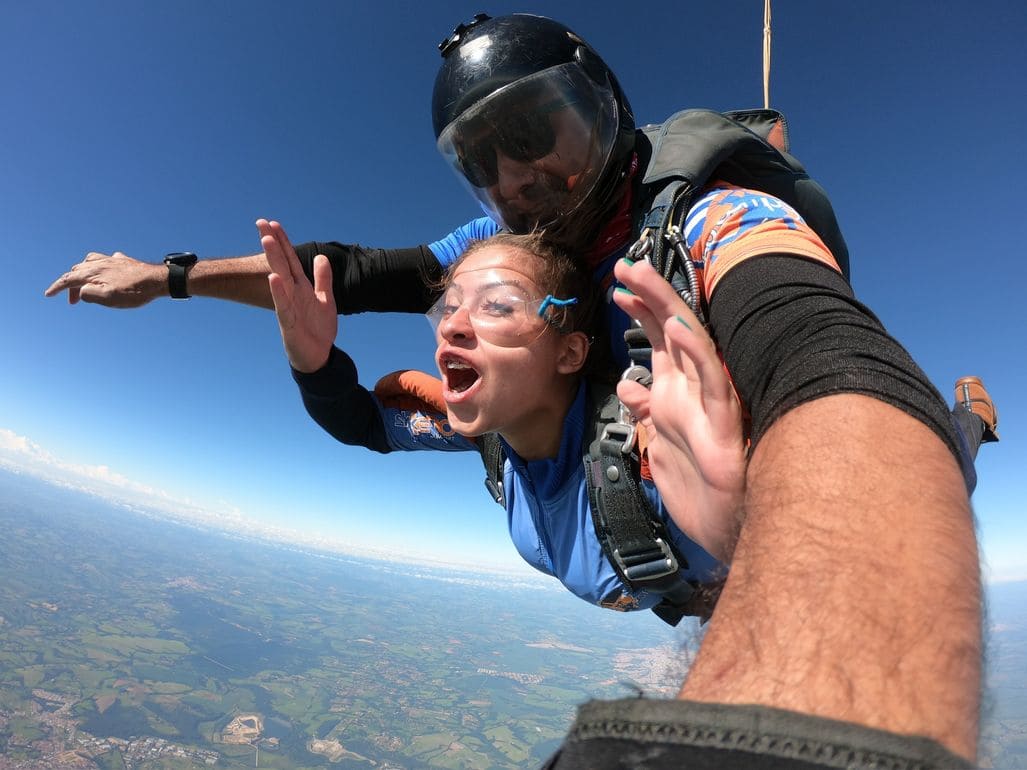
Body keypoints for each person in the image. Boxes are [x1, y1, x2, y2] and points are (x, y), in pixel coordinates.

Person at [45, 12, 988, 764]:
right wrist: (170, 280)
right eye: (480, 161)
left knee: (935, 457)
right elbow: (345, 277)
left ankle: (971, 419)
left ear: (601, 105)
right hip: (654, 536)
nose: (514, 178)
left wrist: (807, 718)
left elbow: (824, 356)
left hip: (728, 512)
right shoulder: (509, 269)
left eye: (533, 131)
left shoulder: (716, 220)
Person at [260, 218, 744, 615]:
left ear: (570, 352)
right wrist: (313, 364)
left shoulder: (655, 454)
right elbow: (364, 425)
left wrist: (737, 524)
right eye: (448, 308)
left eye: (497, 306)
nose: (452, 325)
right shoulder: (495, 442)